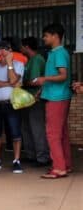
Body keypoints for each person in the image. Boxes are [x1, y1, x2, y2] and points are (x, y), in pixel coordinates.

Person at [35, 23, 72, 179]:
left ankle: (58, 168)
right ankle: (65, 164)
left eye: (46, 35)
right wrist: (42, 89)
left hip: (57, 97)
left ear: (55, 36)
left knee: (52, 134)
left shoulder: (59, 53)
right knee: (61, 133)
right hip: (56, 95)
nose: (44, 39)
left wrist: (44, 79)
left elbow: (63, 75)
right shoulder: (55, 53)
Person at [0, 41, 25, 173]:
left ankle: (16, 160)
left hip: (12, 103)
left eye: (6, 49)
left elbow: (14, 80)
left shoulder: (19, 65)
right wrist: (8, 83)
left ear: (11, 51)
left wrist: (9, 64)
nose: (3, 52)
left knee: (15, 133)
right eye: (1, 49)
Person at [19, 37, 50, 167]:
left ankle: (42, 157)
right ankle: (31, 155)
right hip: (27, 99)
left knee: (37, 128)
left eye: (21, 46)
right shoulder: (30, 60)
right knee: (26, 128)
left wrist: (23, 83)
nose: (20, 49)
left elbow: (34, 81)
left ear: (26, 47)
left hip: (35, 99)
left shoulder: (37, 60)